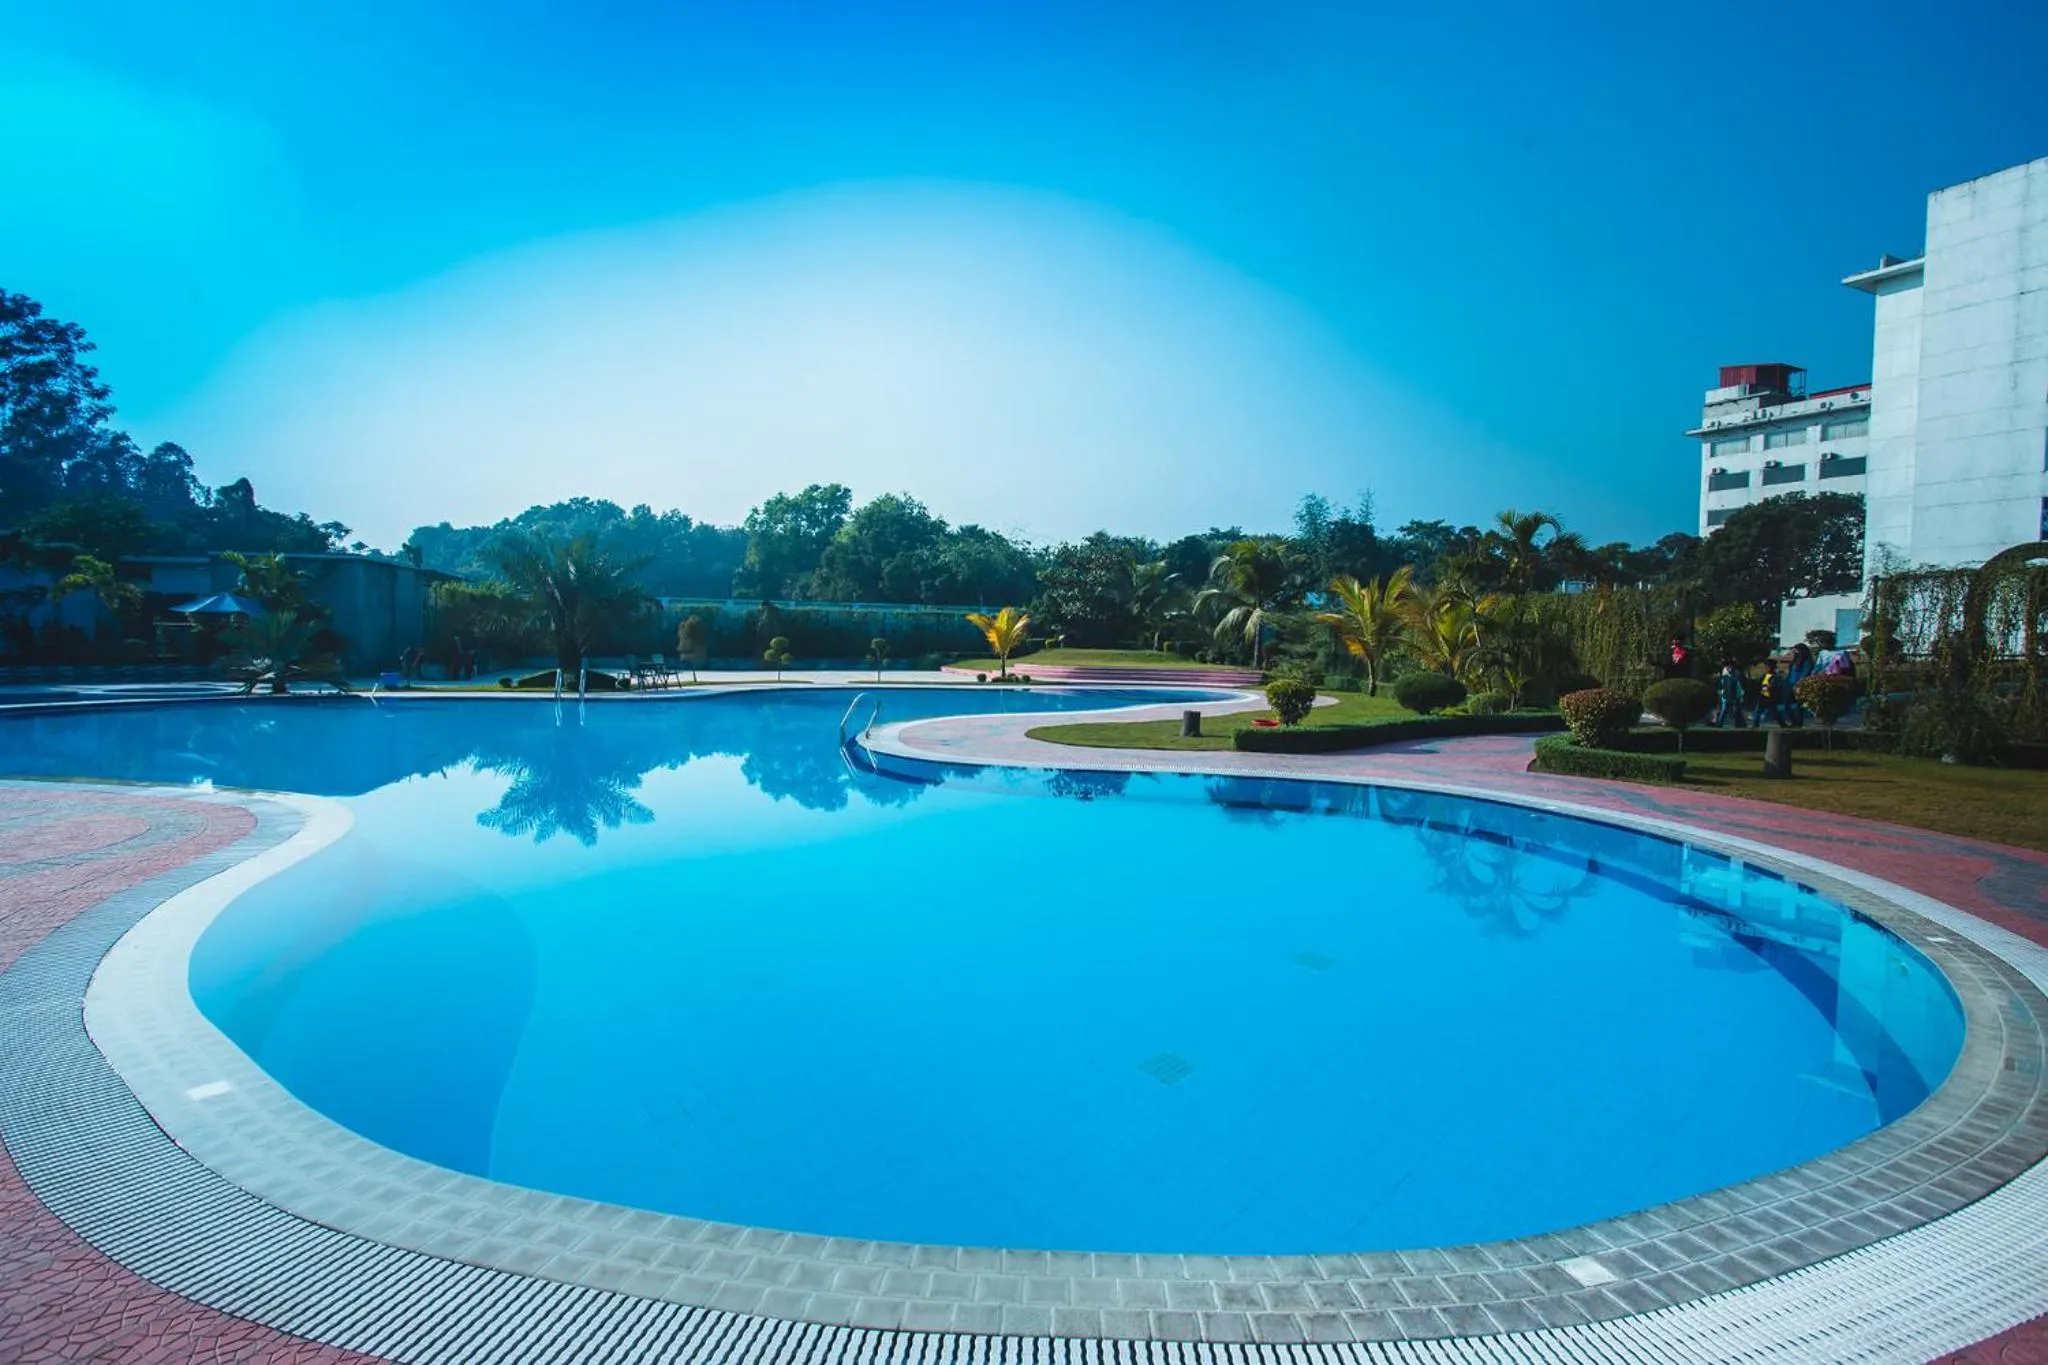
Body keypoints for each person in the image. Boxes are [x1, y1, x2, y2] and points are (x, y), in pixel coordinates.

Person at [1756, 662, 1789, 727]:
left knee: (1775, 712)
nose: (1767, 668)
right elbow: (1760, 684)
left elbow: (1775, 686)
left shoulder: (1775, 677)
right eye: (1767, 667)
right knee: (1758, 711)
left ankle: (1783, 725)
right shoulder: (1764, 675)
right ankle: (1755, 725)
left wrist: (1769, 687)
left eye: (1769, 667)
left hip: (1770, 697)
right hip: (1763, 696)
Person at [1714, 662, 1746, 728]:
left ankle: (1737, 724)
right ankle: (1720, 724)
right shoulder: (1726, 677)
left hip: (1732, 697)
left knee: (1734, 711)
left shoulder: (1734, 677)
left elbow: (1738, 688)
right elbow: (1721, 686)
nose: (1730, 669)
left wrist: (1740, 696)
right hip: (1727, 697)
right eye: (1729, 668)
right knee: (1725, 711)